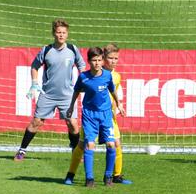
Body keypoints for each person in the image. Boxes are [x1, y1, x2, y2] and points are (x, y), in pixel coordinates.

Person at [15, 18, 86, 161]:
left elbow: (82, 66)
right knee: (37, 122)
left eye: (64, 32)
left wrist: (83, 81)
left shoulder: (72, 49)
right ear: (54, 33)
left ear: (67, 34)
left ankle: (75, 151)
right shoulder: (46, 50)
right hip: (47, 94)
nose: (61, 35)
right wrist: (34, 83)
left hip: (67, 95)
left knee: (72, 124)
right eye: (58, 32)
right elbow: (34, 66)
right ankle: (22, 151)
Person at [65, 43, 132, 185]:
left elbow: (112, 92)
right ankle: (72, 174)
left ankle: (115, 176)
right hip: (90, 115)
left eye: (116, 58)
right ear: (104, 59)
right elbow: (80, 90)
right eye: (111, 58)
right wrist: (71, 106)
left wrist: (118, 105)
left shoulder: (114, 76)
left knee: (115, 143)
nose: (113, 61)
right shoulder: (86, 76)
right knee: (83, 144)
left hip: (108, 115)